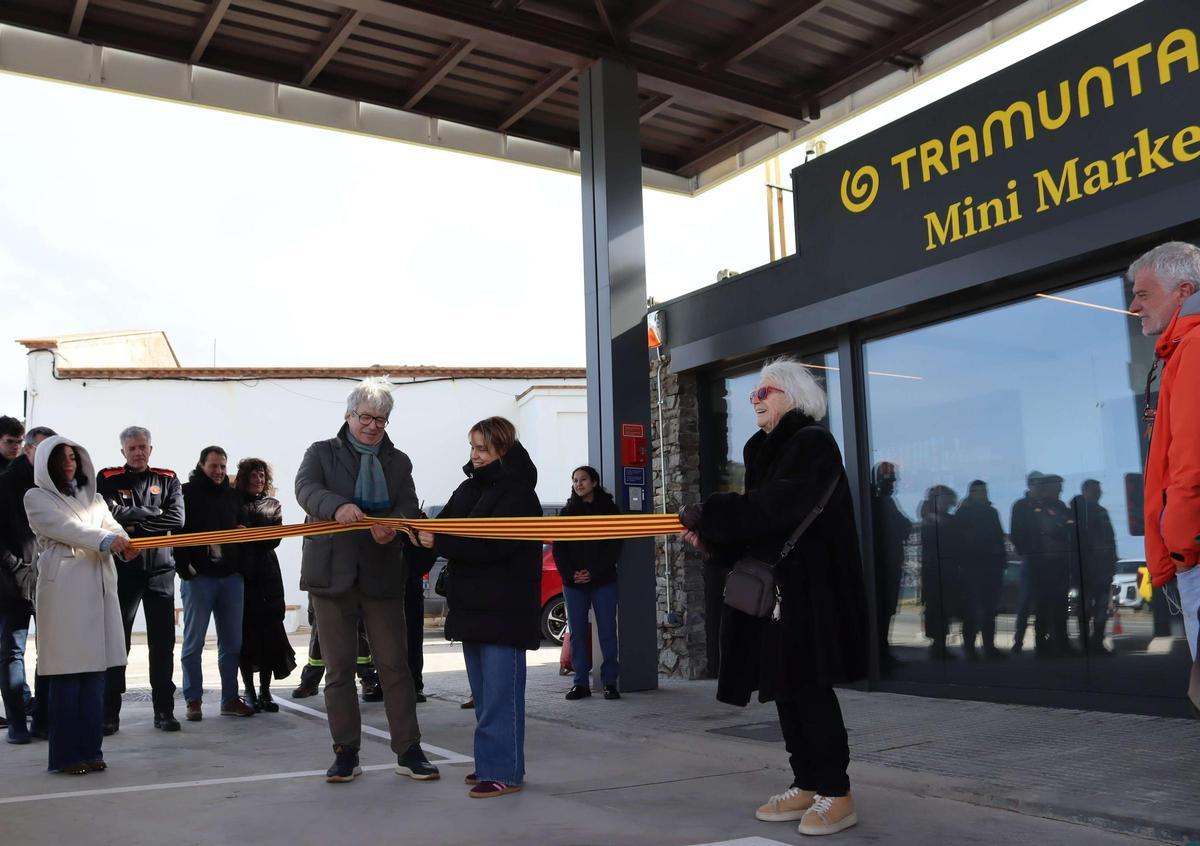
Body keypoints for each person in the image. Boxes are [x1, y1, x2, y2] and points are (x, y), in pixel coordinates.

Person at [679, 358, 869, 837]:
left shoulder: (811, 443)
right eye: (753, 393)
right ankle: (807, 781)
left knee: (809, 687)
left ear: (793, 396)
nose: (755, 400)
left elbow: (779, 506)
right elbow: (762, 529)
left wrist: (714, 511)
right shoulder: (766, 449)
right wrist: (715, 540)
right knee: (784, 686)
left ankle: (836, 792)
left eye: (765, 392)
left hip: (811, 591)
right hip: (780, 592)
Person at [295, 377, 437, 784]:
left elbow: (408, 504)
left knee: (395, 666)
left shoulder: (399, 461)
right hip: (331, 575)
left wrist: (392, 525)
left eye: (381, 419)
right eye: (366, 418)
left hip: (382, 574)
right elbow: (306, 489)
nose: (373, 426)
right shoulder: (321, 452)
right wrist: (337, 506)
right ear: (348, 415)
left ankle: (409, 749)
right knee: (338, 670)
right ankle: (345, 752)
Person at [416, 416, 541, 798]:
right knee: (485, 696)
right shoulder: (470, 488)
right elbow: (445, 528)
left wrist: (439, 541)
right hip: (472, 605)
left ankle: (500, 770)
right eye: (473, 447)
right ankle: (498, 764)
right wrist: (418, 530)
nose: (476, 455)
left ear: (503, 448)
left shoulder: (519, 493)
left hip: (505, 607)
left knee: (501, 696)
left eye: (483, 448)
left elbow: (493, 545)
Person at [23, 436, 133, 774]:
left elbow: (112, 527)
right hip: (65, 591)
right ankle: (66, 756)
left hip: (97, 586)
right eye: (61, 458)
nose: (69, 463)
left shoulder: (94, 498)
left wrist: (125, 542)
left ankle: (92, 750)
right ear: (47, 464)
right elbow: (64, 528)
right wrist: (105, 540)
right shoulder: (37, 497)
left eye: (73, 456)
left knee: (95, 675)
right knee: (67, 676)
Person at [1129, 241, 1200, 668]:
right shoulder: (1181, 351)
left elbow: (1192, 461)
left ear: (1183, 291)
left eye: (1144, 294)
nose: (1135, 306)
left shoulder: (1193, 349)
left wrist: (1181, 544)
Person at [96, 426, 184, 734]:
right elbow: (108, 514)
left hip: (161, 571)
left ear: (151, 448)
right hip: (124, 573)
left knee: (163, 644)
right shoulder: (108, 478)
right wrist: (152, 513)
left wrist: (134, 524)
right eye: (132, 448)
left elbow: (177, 519)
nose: (138, 452)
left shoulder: (167, 478)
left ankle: (164, 711)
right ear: (123, 451)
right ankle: (110, 714)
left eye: (143, 447)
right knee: (117, 644)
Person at [176, 446, 255, 720]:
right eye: (214, 466)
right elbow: (177, 532)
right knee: (193, 642)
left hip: (231, 579)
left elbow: (244, 531)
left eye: (223, 466)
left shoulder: (234, 496)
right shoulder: (185, 493)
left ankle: (230, 698)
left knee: (232, 642)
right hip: (199, 579)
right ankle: (193, 700)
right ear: (201, 465)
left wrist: (241, 568)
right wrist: (186, 569)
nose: (219, 471)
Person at [0, 425, 55, 742]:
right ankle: (17, 722)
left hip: (49, 577)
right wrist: (15, 566)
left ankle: (43, 720)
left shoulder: (57, 485)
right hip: (12, 580)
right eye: (44, 449)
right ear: (29, 449)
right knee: (13, 652)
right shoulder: (6, 482)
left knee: (48, 652)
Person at [553, 465, 622, 700]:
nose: (578, 484)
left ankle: (610, 683)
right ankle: (580, 683)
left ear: (594, 482)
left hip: (603, 581)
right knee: (578, 634)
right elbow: (559, 550)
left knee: (607, 632)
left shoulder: (610, 511)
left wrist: (593, 572)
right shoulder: (566, 513)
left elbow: (615, 548)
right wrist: (572, 574)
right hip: (574, 584)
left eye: (582, 479)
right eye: (574, 480)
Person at [233, 458, 296, 712]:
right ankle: (248, 691)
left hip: (268, 574)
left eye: (262, 475)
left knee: (270, 634)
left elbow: (273, 539)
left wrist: (247, 534)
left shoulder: (273, 505)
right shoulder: (233, 501)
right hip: (242, 573)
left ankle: (265, 692)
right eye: (253, 475)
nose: (258, 479)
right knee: (246, 636)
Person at [955, 481, 1007, 660]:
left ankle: (988, 646)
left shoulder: (990, 512)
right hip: (973, 567)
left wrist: (1001, 561)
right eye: (980, 491)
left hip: (990, 566)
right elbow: (960, 541)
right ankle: (970, 648)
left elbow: (999, 538)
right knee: (973, 609)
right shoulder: (964, 513)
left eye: (985, 490)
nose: (984, 494)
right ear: (972, 493)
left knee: (989, 609)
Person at [291, 602, 382, 702]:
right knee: (319, 635)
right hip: (323, 589)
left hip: (355, 590)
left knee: (360, 632)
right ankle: (310, 682)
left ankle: (368, 678)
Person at [870, 462, 910, 672]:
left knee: (886, 611)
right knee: (881, 610)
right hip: (880, 566)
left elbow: (906, 526)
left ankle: (882, 651)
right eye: (889, 480)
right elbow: (903, 526)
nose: (893, 484)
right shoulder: (877, 502)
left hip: (889, 564)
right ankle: (879, 653)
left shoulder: (887, 502)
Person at [1070, 480, 1117, 655]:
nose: (1099, 493)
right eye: (1095, 490)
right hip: (1086, 571)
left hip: (1101, 571)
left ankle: (1095, 642)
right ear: (1085, 491)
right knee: (1086, 608)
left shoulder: (1101, 512)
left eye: (1099, 490)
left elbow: (1110, 541)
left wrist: (1111, 565)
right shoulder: (1080, 513)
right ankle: (1087, 644)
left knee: (1100, 608)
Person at [918, 485, 959, 661]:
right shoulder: (933, 520)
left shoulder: (937, 519)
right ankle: (938, 644)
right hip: (936, 571)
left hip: (942, 571)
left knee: (943, 608)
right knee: (937, 608)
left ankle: (940, 644)